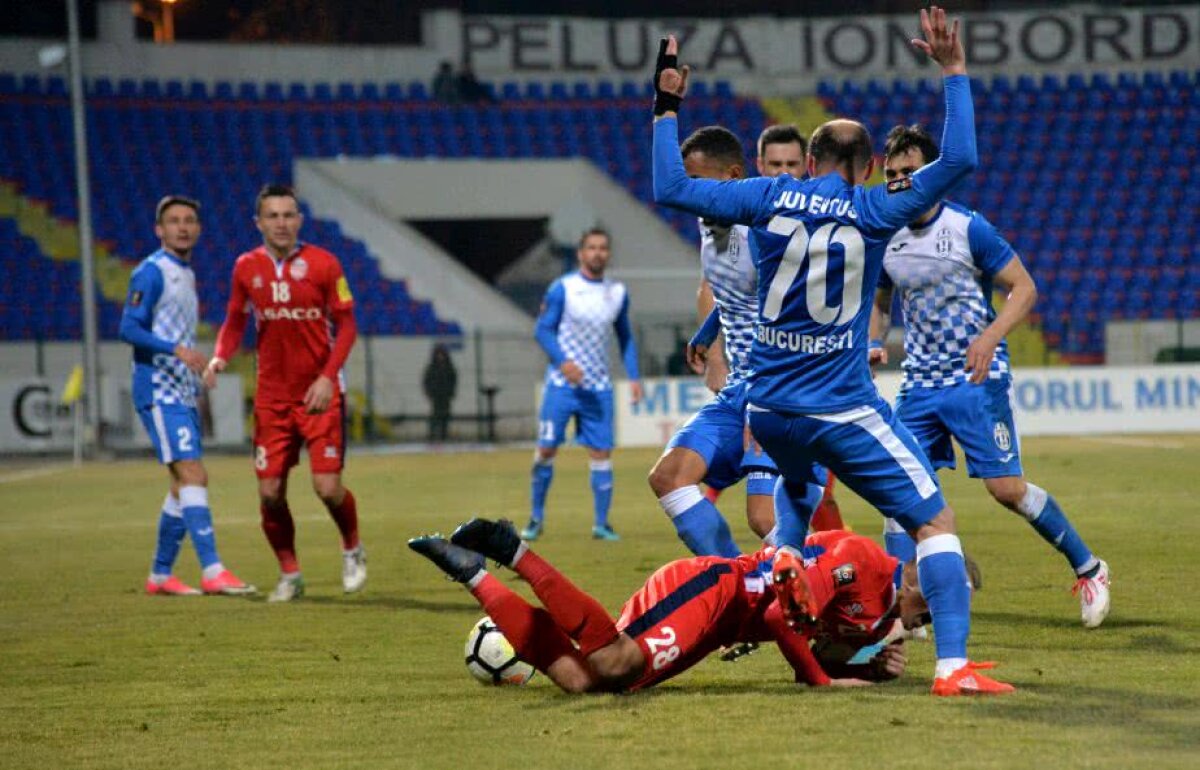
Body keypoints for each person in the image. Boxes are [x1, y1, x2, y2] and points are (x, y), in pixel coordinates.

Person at [650, 8, 1013, 695]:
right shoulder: (879, 209)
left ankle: (779, 579)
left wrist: (667, 104)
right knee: (933, 517)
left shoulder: (762, 195)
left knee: (793, 490)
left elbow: (669, 187)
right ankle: (954, 667)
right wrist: (954, 70)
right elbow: (961, 158)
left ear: (808, 163)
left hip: (770, 405)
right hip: (840, 406)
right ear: (873, 167)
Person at [869, 124, 1110, 628]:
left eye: (909, 173)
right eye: (891, 174)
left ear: (933, 176)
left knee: (1005, 488)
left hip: (975, 377)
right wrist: (874, 340)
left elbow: (1023, 288)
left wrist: (990, 336)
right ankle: (900, 606)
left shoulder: (967, 227)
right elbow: (882, 302)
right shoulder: (885, 236)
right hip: (920, 382)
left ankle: (1089, 568)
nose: (898, 182)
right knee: (899, 489)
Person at [409, 518, 936, 693]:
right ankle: (511, 549)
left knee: (588, 681)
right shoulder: (857, 560)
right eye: (930, 613)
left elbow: (814, 648)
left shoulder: (884, 614)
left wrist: (872, 668)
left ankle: (471, 572)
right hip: (714, 590)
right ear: (917, 580)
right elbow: (782, 616)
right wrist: (825, 683)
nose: (924, 629)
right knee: (614, 660)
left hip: (717, 629)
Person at [649, 126, 826, 558]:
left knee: (766, 519)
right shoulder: (709, 225)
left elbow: (789, 316)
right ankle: (735, 587)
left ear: (731, 177)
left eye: (699, 182)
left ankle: (849, 584)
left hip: (780, 389)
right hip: (740, 390)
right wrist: (709, 333)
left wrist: (768, 399)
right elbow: (739, 300)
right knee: (669, 477)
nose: (691, 193)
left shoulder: (762, 234)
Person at [204, 184, 366, 602]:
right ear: (258, 222)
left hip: (319, 394)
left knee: (328, 488)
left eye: (289, 215)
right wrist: (221, 356)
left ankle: (352, 547)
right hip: (272, 399)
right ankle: (290, 573)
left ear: (300, 220)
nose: (281, 223)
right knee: (270, 493)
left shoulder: (324, 264)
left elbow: (347, 326)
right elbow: (234, 320)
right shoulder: (246, 267)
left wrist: (328, 376)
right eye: (272, 216)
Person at [118, 195, 254, 597]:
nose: (182, 227)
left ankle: (160, 576)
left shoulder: (185, 274)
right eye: (174, 221)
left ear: (197, 229)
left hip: (179, 388)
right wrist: (176, 351)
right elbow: (128, 327)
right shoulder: (151, 272)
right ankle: (212, 570)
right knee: (193, 474)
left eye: (189, 220)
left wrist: (196, 372)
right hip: (157, 389)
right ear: (159, 230)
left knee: (183, 483)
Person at [525, 228, 643, 542]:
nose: (597, 253)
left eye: (603, 248)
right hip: (561, 386)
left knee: (601, 453)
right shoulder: (562, 288)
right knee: (547, 448)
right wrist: (563, 362)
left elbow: (626, 338)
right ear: (580, 253)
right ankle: (536, 518)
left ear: (608, 253)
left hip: (598, 387)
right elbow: (542, 330)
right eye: (591, 247)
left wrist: (633, 377)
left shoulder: (617, 292)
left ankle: (601, 524)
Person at [422, 343, 457, 442]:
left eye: (442, 354)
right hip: (435, 396)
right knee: (435, 415)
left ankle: (444, 435)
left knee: (445, 416)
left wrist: (451, 392)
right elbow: (426, 381)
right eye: (438, 354)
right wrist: (429, 392)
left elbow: (453, 381)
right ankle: (432, 435)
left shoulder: (449, 368)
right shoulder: (431, 368)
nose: (440, 356)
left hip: (446, 396)